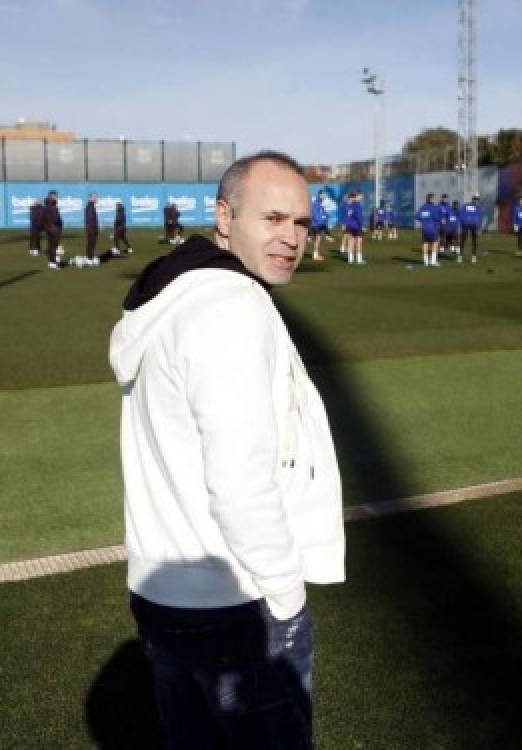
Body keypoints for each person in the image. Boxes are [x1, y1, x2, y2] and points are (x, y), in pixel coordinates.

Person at [109, 150, 345, 749]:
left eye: (301, 224)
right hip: (235, 602)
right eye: (272, 219)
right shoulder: (231, 306)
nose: (291, 238)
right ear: (224, 216)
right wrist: (287, 598)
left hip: (162, 594)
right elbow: (240, 482)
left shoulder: (175, 295)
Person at [418, 192, 441, 267]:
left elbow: (418, 217)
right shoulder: (434, 207)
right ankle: (433, 261)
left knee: (425, 243)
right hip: (432, 228)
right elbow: (437, 218)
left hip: (424, 228)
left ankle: (426, 262)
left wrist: (424, 221)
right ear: (432, 199)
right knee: (435, 243)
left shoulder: (422, 207)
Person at [43, 190, 63, 270]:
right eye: (55, 196)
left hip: (50, 228)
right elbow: (55, 218)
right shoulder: (52, 206)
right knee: (53, 246)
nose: (57, 197)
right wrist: (58, 222)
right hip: (53, 229)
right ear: (52, 196)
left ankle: (53, 261)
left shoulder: (47, 205)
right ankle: (52, 262)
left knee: (52, 246)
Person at [344, 192, 365, 264]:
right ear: (357, 197)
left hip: (349, 225)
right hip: (356, 225)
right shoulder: (358, 205)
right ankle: (359, 259)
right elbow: (359, 216)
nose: (361, 198)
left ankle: (350, 259)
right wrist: (362, 226)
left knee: (351, 241)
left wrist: (346, 224)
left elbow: (347, 215)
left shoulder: (350, 205)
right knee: (358, 241)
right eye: (360, 196)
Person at [460, 192, 482, 263]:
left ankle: (473, 256)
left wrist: (479, 228)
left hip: (474, 226)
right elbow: (461, 215)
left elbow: (479, 218)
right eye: (475, 199)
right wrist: (461, 224)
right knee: (463, 241)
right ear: (473, 199)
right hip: (466, 225)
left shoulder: (478, 207)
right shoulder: (466, 206)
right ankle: (460, 256)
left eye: (478, 199)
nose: (476, 200)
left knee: (474, 241)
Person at [309, 189, 329, 261]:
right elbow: (315, 214)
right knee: (317, 239)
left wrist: (325, 216)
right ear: (320, 195)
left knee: (316, 239)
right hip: (316, 224)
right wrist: (321, 220)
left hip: (317, 223)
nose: (324, 196)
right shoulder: (316, 203)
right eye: (323, 195)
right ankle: (315, 255)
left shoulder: (320, 203)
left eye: (324, 195)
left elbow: (324, 213)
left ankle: (315, 254)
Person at [83, 192, 100, 267]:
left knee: (92, 244)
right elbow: (90, 219)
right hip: (91, 229)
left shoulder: (91, 206)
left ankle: (90, 257)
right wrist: (93, 228)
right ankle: (89, 259)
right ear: (90, 198)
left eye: (96, 197)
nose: (96, 199)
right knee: (91, 244)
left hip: (92, 229)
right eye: (94, 197)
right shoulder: (90, 207)